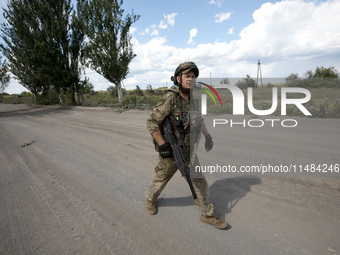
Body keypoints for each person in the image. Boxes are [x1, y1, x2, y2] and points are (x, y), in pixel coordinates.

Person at [145, 61, 228, 230]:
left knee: (199, 182)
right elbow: (152, 122)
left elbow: (199, 120)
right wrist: (162, 145)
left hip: (188, 151)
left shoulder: (193, 100)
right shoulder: (170, 98)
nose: (190, 80)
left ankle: (207, 214)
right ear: (178, 79)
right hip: (170, 151)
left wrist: (208, 136)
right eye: (186, 76)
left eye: (193, 76)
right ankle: (150, 199)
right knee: (161, 179)